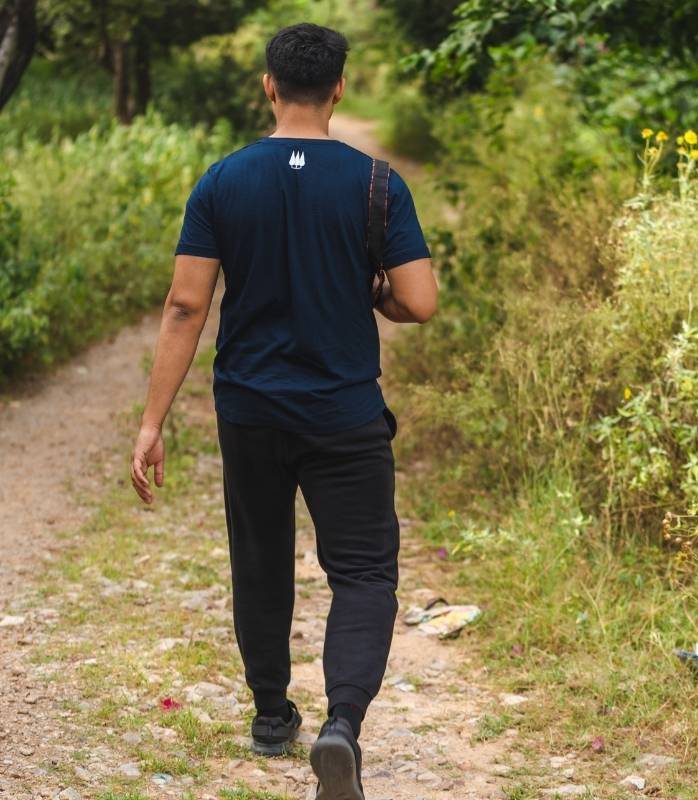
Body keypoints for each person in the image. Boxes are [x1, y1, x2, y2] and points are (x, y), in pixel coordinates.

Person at [129, 21, 437, 800]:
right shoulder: (377, 185)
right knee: (364, 572)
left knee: (261, 560)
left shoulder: (223, 180)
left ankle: (272, 719)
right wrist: (367, 290)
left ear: (269, 86)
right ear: (339, 89)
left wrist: (152, 422)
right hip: (344, 414)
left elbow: (184, 307)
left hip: (251, 411)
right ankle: (342, 727)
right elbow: (420, 301)